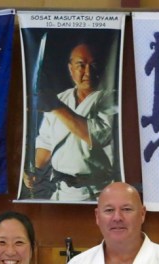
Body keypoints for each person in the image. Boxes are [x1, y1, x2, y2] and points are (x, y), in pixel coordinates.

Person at [23, 41, 119, 202]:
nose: (88, 71)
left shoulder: (112, 97)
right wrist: (35, 170)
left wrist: (56, 107)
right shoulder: (61, 98)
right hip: (61, 191)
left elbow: (98, 136)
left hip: (97, 193)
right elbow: (46, 142)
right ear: (70, 68)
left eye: (94, 65)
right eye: (81, 65)